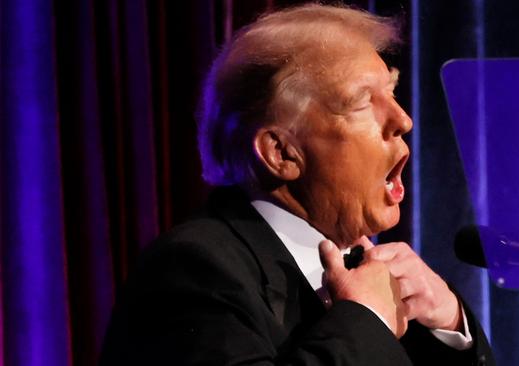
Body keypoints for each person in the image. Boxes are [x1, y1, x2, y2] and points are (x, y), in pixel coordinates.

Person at [100, 4, 494, 365]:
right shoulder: (190, 270)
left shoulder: (377, 276)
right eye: (361, 102)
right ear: (281, 152)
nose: (403, 120)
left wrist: (450, 325)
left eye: (391, 94)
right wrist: (367, 319)